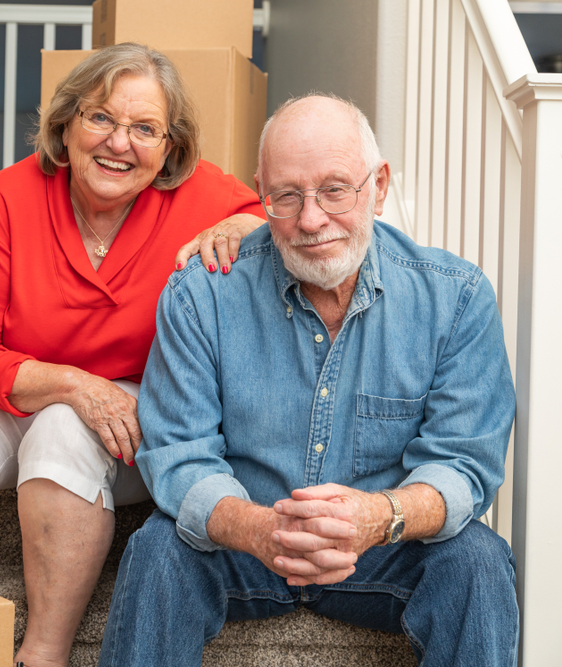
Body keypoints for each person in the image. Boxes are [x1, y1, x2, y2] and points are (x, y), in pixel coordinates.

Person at [99, 94, 518, 667]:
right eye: (287, 196)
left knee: (478, 559)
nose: (311, 219)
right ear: (261, 194)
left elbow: (465, 465)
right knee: (158, 549)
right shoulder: (201, 293)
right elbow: (179, 455)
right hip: (244, 540)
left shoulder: (456, 298)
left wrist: (379, 516)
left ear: (379, 185)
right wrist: (257, 528)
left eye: (335, 190)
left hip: (383, 547)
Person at [0, 43, 266, 667]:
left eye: (144, 128)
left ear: (170, 148)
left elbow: (285, 213)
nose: (119, 143)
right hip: (30, 385)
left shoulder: (199, 195)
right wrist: (72, 382)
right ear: (66, 125)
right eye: (100, 118)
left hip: (135, 415)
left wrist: (244, 225)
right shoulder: (8, 198)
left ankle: (43, 653)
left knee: (67, 432)